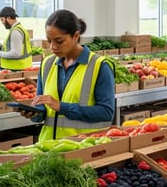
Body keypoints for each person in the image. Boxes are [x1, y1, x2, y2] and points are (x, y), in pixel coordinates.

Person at [16, 9, 115, 140]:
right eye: (49, 40)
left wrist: (62, 107)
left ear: (75, 36)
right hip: (48, 148)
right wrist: (35, 114)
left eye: (59, 41)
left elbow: (106, 113)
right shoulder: (47, 64)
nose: (52, 47)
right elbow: (43, 106)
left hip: (82, 146)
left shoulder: (99, 66)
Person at [0, 6, 33, 71]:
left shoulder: (15, 32)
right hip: (19, 67)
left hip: (14, 69)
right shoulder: (19, 29)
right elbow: (15, 46)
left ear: (8, 18)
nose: (2, 22)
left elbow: (15, 53)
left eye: (2, 20)